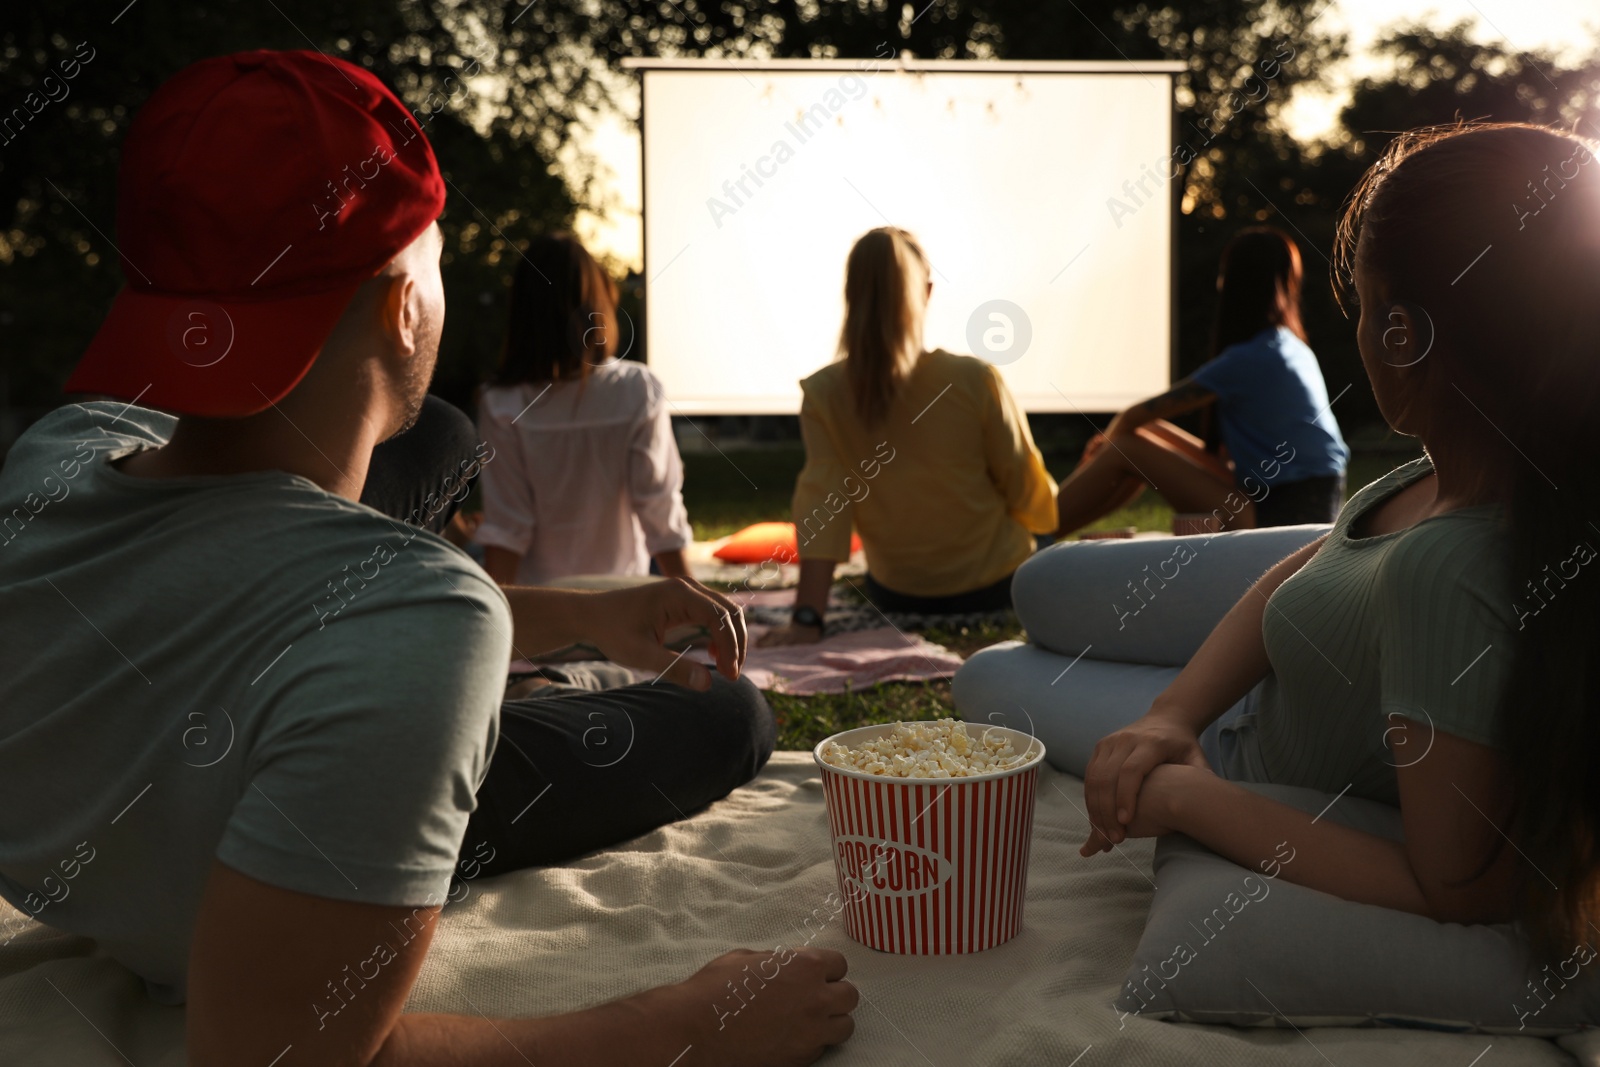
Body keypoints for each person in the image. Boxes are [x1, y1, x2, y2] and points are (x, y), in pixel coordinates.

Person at [0, 51, 855, 1066]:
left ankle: (535, 661)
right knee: (730, 712)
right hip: (304, 808)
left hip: (172, 767)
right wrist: (686, 1028)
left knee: (439, 433)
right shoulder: (423, 623)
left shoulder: (59, 446)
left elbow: (227, 548)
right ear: (404, 300)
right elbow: (269, 1051)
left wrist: (577, 610)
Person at [1047, 123, 1600, 956]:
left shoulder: (1445, 566)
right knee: (1041, 592)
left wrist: (1181, 797)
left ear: (1405, 335)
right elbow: (1308, 561)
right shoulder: (1445, 475)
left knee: (996, 673)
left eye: (1367, 306)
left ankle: (1006, 555)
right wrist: (1171, 712)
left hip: (1249, 736)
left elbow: (1459, 889)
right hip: (1270, 644)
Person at [761, 227, 1057, 645]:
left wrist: (807, 619)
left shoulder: (822, 392)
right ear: (928, 291)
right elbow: (1023, 484)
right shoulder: (974, 379)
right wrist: (1046, 527)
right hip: (997, 584)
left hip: (896, 593)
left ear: (851, 293)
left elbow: (824, 507)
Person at [1054, 227, 1349, 538]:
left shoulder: (1248, 359)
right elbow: (1142, 422)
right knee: (1140, 435)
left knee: (1125, 446)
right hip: (1304, 507)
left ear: (1234, 284)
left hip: (1275, 518)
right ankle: (1047, 535)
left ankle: (1034, 533)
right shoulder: (1291, 347)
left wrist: (1106, 446)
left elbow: (1133, 415)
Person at [475, 235, 694, 584]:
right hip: (622, 602)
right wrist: (694, 602)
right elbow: (659, 510)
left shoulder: (501, 402)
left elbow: (506, 528)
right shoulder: (637, 388)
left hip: (545, 608)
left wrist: (497, 626)